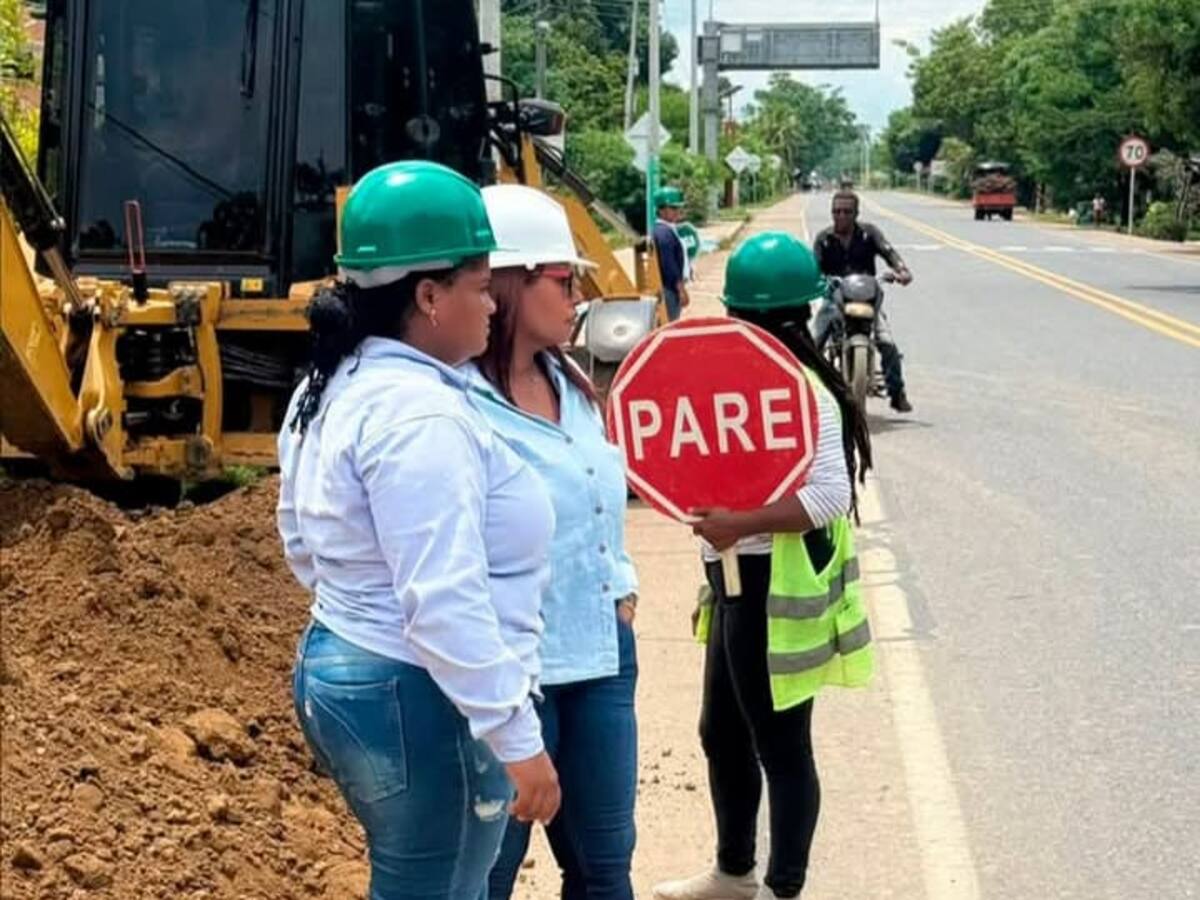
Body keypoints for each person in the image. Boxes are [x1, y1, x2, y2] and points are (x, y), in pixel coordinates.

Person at [278, 161, 562, 900]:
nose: (493, 306)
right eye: (479, 285)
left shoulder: (333, 381)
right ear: (430, 296)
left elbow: (299, 536)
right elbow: (441, 602)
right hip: (415, 691)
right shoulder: (419, 416)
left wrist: (358, 599)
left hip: (346, 662)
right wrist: (518, 738)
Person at [653, 232, 874, 900]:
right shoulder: (733, 380)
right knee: (720, 733)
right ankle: (733, 873)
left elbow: (831, 497)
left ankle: (783, 887)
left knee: (781, 747)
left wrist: (738, 526)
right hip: (729, 583)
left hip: (775, 593)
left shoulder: (806, 389)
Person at [466, 184, 641, 900]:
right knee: (486, 877)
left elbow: (600, 502)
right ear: (509, 284)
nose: (578, 300)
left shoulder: (571, 386)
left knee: (604, 874)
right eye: (566, 281)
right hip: (512, 678)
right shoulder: (457, 406)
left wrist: (623, 592)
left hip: (600, 662)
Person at [811, 190, 915, 413]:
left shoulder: (869, 234)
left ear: (856, 213)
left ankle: (897, 393)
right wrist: (812, 280)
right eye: (836, 211)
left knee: (888, 344)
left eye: (847, 212)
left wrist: (901, 270)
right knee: (813, 343)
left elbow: (889, 253)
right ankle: (807, 393)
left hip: (867, 299)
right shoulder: (824, 239)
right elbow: (813, 268)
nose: (841, 216)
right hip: (835, 298)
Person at [652, 186, 691, 322]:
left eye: (678, 208)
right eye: (673, 208)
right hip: (669, 290)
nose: (677, 212)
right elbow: (668, 265)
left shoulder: (666, 230)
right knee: (669, 324)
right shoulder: (664, 233)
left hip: (670, 288)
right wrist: (680, 289)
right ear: (661, 210)